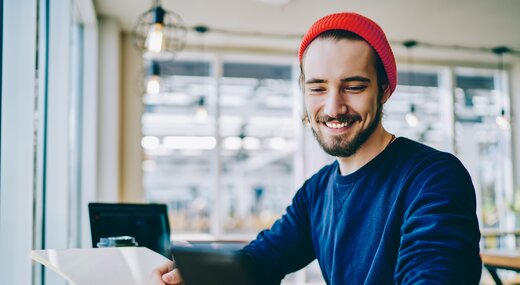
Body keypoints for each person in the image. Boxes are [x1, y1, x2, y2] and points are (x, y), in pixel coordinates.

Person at [151, 12, 482, 285]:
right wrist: (198, 276)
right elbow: (263, 259)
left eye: (353, 87)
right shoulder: (316, 192)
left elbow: (436, 276)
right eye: (318, 88)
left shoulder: (433, 176)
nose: (334, 107)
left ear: (383, 90)